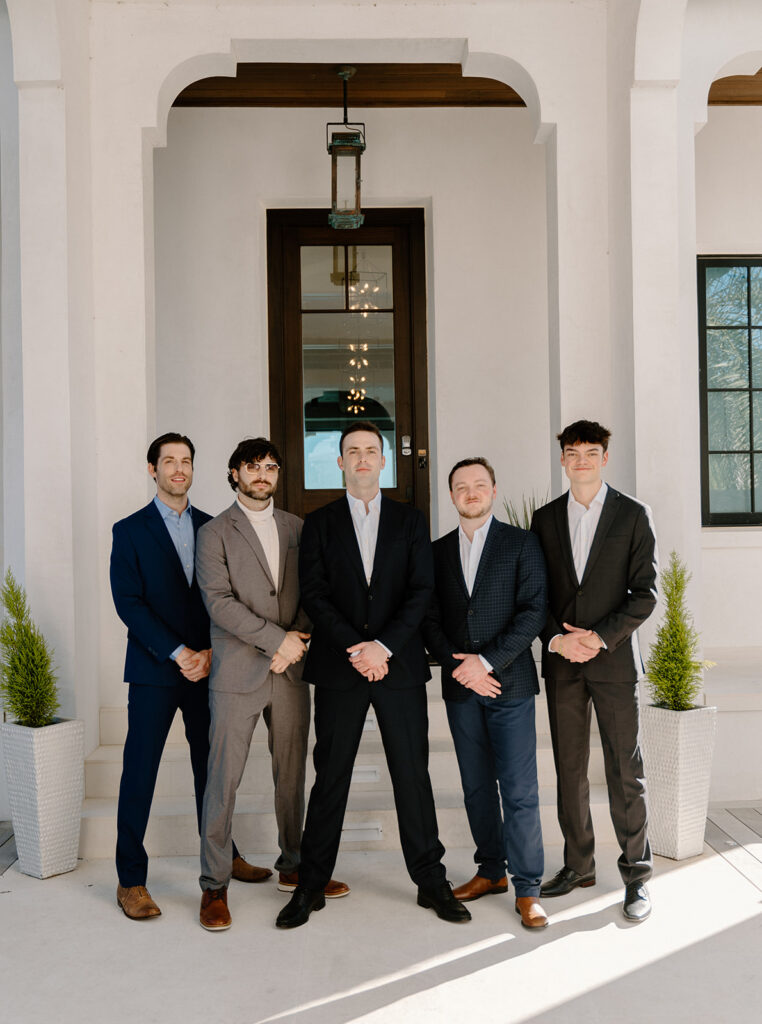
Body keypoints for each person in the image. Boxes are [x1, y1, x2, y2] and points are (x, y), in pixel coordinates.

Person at [276, 421, 469, 928]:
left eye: (370, 451)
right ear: (338, 462)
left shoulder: (410, 521)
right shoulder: (318, 524)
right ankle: (310, 886)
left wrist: (382, 647)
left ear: (384, 462)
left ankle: (432, 883)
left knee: (412, 776)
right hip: (341, 668)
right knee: (330, 778)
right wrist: (356, 647)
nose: (362, 458)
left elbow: (420, 591)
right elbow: (314, 595)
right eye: (351, 451)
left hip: (397, 665)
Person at [110, 432, 268, 920]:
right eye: (169, 461)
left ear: (194, 470)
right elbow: (128, 603)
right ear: (152, 469)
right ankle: (131, 880)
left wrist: (205, 654)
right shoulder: (129, 530)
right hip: (156, 669)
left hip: (210, 667)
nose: (178, 469)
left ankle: (225, 856)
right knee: (140, 772)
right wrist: (178, 652)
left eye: (186, 461)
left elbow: (223, 595)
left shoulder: (214, 526)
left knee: (214, 769)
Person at [194, 438, 348, 931]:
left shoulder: (297, 528)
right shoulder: (214, 532)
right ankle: (214, 885)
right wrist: (276, 641)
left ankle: (295, 867)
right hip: (239, 672)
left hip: (291, 669)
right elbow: (218, 603)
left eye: (270, 467)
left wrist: (296, 639)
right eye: (252, 467)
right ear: (234, 472)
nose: (262, 475)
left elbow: (314, 589)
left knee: (291, 775)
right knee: (224, 779)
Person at [530, 420, 657, 922]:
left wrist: (599, 637)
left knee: (626, 769)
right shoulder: (543, 520)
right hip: (563, 662)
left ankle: (637, 876)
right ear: (562, 459)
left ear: (605, 457)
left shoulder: (632, 515)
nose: (580, 460)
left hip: (612, 661)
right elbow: (533, 595)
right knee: (569, 767)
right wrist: (559, 639)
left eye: (590, 451)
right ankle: (578, 865)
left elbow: (644, 592)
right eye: (572, 452)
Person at [424, 457, 550, 929]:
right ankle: (490, 871)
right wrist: (462, 667)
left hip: (509, 685)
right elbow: (429, 618)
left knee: (518, 791)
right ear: (452, 495)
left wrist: (488, 662)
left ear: (494, 491)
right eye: (462, 486)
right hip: (461, 688)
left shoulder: (522, 544)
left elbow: (534, 611)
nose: (471, 492)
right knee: (476, 787)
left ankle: (528, 888)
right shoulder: (436, 553)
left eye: (479, 485)